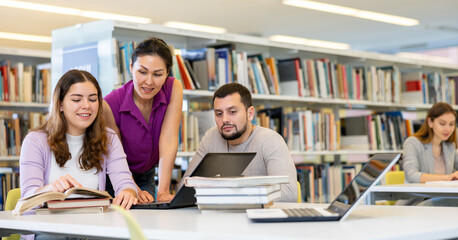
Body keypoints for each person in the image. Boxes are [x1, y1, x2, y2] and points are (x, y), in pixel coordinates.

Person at [19, 69, 138, 210]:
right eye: (76, 99)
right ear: (60, 104)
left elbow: (125, 183)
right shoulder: (35, 141)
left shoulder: (109, 138)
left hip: (93, 225)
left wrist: (128, 192)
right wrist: (48, 190)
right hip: (47, 227)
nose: (86, 105)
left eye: (93, 99)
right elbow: (28, 195)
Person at [182, 83, 298, 202]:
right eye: (219, 114)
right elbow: (184, 187)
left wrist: (229, 193)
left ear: (250, 113)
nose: (225, 119)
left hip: (257, 217)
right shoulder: (211, 137)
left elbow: (289, 193)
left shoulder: (270, 140)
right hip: (220, 217)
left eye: (232, 112)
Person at [103, 37, 183, 203]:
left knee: (150, 218)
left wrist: (163, 191)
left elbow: (168, 140)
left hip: (147, 175)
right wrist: (131, 188)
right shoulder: (110, 104)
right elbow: (116, 157)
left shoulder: (173, 88)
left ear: (167, 72)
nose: (149, 81)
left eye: (158, 74)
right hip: (115, 177)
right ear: (131, 66)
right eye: (142, 72)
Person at [402, 102, 458, 206]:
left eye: (451, 124)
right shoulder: (412, 143)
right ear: (430, 122)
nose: (448, 129)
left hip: (442, 200)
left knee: (452, 202)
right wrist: (447, 178)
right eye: (442, 124)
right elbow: (412, 175)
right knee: (453, 203)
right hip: (417, 202)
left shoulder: (449, 147)